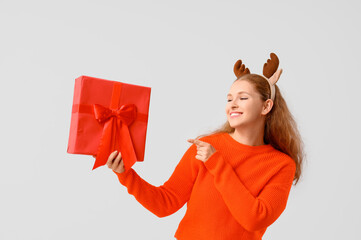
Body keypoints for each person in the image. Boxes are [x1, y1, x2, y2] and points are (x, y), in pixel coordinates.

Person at [105, 53, 305, 240]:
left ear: (266, 106)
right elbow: (165, 203)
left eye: (243, 98)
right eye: (229, 99)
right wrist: (126, 174)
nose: (232, 104)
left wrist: (216, 163)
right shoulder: (206, 146)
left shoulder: (281, 165)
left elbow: (255, 219)